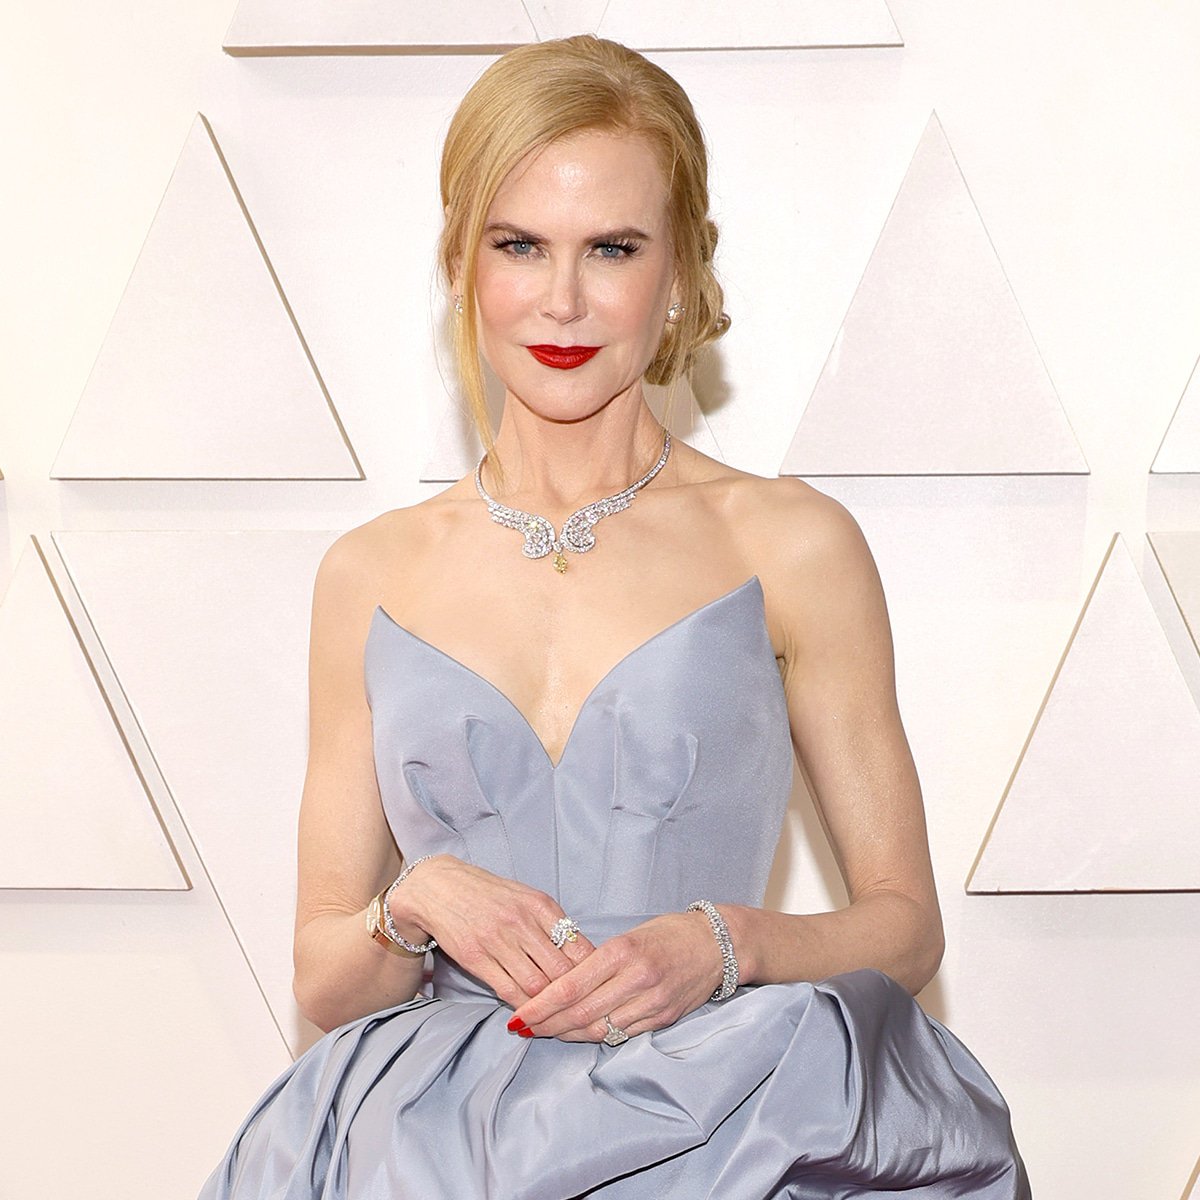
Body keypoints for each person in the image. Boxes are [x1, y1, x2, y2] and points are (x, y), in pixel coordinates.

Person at [199, 34, 1030, 1199]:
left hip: (723, 1134)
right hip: (429, 1151)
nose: (563, 299)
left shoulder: (791, 545)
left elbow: (905, 926)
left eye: (613, 248)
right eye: (519, 244)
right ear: (460, 261)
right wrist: (413, 902)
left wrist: (726, 945)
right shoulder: (368, 573)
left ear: (678, 269)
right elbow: (325, 981)